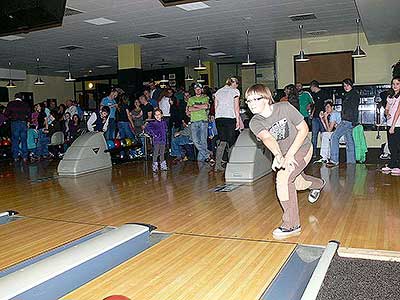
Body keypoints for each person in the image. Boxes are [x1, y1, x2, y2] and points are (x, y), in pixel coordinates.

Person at [246, 84, 325, 240]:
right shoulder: (255, 122)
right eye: (248, 100)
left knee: (283, 179)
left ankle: (291, 225)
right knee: (299, 184)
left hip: (302, 147)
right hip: (284, 154)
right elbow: (267, 138)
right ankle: (318, 184)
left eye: (256, 99)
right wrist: (278, 155)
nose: (251, 103)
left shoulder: (285, 107)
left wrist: (289, 155)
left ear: (267, 98)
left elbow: (303, 129)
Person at [326, 79, 360, 167]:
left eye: (347, 85)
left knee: (334, 136)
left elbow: (353, 109)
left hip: (347, 120)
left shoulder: (353, 95)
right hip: (349, 120)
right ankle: (351, 162)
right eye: (344, 86)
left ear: (351, 85)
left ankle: (334, 160)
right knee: (349, 141)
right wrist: (354, 121)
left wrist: (352, 120)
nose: (346, 87)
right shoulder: (350, 94)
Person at [214, 77, 241, 171]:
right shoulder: (235, 92)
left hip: (219, 118)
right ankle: (231, 164)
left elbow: (215, 107)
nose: (237, 86)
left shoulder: (218, 92)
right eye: (237, 84)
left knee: (222, 141)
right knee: (231, 142)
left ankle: (217, 165)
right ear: (234, 83)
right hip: (230, 118)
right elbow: (236, 107)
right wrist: (238, 121)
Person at [186, 83, 210, 162]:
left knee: (203, 141)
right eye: (196, 89)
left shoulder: (205, 97)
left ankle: (201, 161)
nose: (198, 90)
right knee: (195, 140)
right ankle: (207, 155)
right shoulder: (191, 99)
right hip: (194, 121)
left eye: (199, 89)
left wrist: (195, 106)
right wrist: (201, 107)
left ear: (201, 89)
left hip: (203, 121)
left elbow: (206, 106)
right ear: (194, 90)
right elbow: (189, 109)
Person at [381, 77, 400, 174]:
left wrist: (393, 126)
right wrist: (387, 113)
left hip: (397, 125)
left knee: (397, 145)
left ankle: (398, 165)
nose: (395, 86)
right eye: (393, 84)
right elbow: (387, 108)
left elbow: (398, 111)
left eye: (397, 84)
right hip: (389, 123)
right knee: (391, 145)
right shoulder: (390, 96)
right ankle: (392, 164)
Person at [5, 93, 31, 162]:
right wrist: (28, 122)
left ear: (15, 97)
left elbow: (6, 114)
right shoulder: (25, 104)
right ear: (21, 97)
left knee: (15, 140)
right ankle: (25, 157)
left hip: (15, 123)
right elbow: (29, 114)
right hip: (23, 123)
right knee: (24, 140)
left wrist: (11, 117)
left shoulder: (11, 104)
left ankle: (15, 156)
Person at [310, 80, 330, 158]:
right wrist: (312, 113)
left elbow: (328, 104)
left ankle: (324, 153)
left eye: (311, 87)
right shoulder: (314, 95)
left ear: (314, 86)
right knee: (314, 136)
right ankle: (313, 153)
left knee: (324, 135)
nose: (310, 89)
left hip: (322, 117)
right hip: (315, 117)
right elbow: (315, 105)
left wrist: (325, 114)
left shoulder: (324, 93)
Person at [116, 94, 136, 159]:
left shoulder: (119, 105)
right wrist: (132, 123)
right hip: (125, 123)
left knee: (122, 139)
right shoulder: (125, 105)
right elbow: (128, 115)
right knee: (131, 137)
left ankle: (122, 154)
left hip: (119, 123)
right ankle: (133, 153)